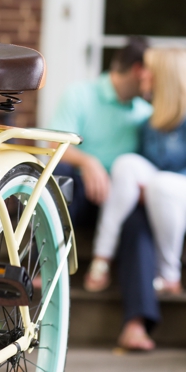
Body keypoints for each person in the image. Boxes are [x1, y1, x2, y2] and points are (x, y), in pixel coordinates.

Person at [83, 45, 186, 351]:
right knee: (127, 164)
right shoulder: (152, 120)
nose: (143, 75)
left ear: (164, 77)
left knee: (163, 185)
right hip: (166, 197)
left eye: (149, 71)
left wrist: (154, 188)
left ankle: (169, 275)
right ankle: (101, 258)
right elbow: (142, 169)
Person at [49, 37, 153, 228]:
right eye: (153, 73)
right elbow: (54, 144)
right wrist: (88, 162)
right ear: (139, 70)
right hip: (81, 188)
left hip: (122, 194)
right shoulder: (79, 94)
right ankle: (45, 254)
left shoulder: (146, 113)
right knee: (59, 174)